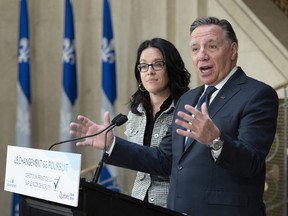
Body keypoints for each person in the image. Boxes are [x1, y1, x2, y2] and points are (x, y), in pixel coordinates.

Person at [70, 17, 279, 216]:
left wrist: (216, 141)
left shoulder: (257, 95)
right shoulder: (189, 99)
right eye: (195, 49)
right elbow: (165, 160)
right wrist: (112, 144)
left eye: (212, 47)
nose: (202, 55)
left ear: (233, 50)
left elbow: (252, 162)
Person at [124, 38, 190, 207]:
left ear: (171, 68)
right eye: (144, 66)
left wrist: (115, 146)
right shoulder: (135, 112)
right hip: (138, 202)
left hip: (173, 205)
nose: (149, 71)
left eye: (157, 64)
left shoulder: (187, 109)